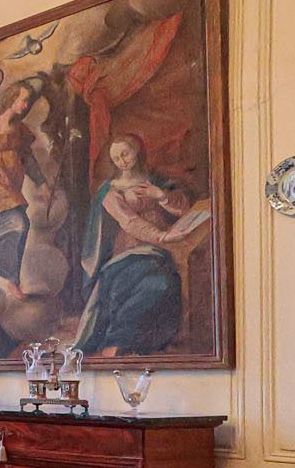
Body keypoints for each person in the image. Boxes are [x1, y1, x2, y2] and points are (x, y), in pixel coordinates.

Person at [73, 132, 206, 356]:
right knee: (159, 284)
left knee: (167, 283)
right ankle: (116, 342)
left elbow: (184, 208)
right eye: (116, 158)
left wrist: (161, 196)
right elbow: (130, 222)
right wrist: (162, 236)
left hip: (165, 250)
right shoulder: (109, 190)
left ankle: (129, 342)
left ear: (136, 150)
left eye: (125, 154)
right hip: (130, 252)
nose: (122, 161)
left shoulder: (156, 181)